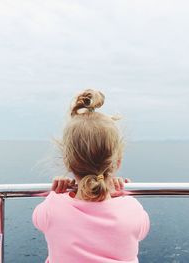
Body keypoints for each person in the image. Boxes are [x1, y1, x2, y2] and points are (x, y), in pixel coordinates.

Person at [32, 89, 150, 263]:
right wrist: (120, 194)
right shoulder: (132, 209)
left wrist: (59, 192)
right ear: (117, 161)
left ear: (67, 161)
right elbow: (142, 231)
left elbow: (38, 220)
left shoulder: (52, 206)